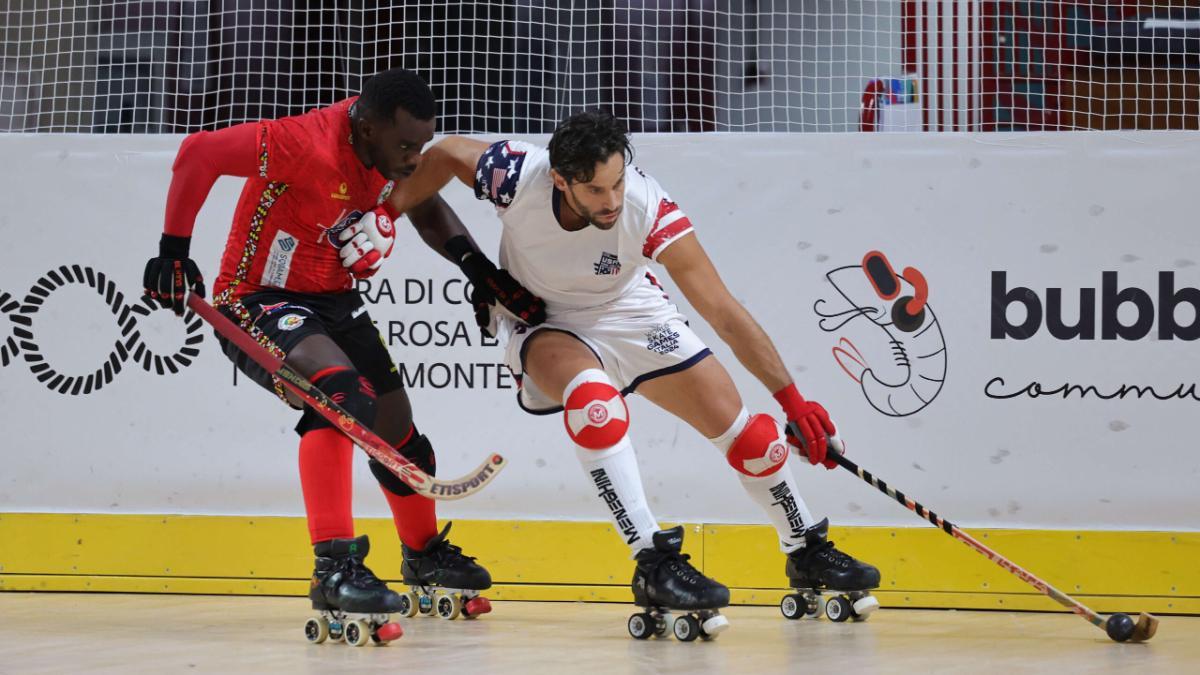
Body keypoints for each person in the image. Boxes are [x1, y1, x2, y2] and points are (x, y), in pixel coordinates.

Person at [390, 109, 881, 637]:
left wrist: (792, 402)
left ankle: (805, 548)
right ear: (560, 180)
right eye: (596, 189)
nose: (612, 200)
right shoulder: (516, 174)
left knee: (754, 438)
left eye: (618, 182)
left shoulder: (646, 207)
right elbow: (443, 154)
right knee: (596, 408)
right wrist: (397, 225)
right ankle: (652, 562)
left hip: (634, 312)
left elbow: (722, 310)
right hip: (546, 322)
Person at [141, 69, 545, 636]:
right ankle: (333, 567)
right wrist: (173, 251)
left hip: (334, 299)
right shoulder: (303, 143)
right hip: (257, 298)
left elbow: (422, 201)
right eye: (405, 147)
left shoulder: (392, 152)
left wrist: (479, 271)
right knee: (337, 396)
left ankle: (423, 556)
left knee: (396, 427)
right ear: (366, 128)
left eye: (423, 145)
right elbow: (198, 153)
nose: (415, 159)